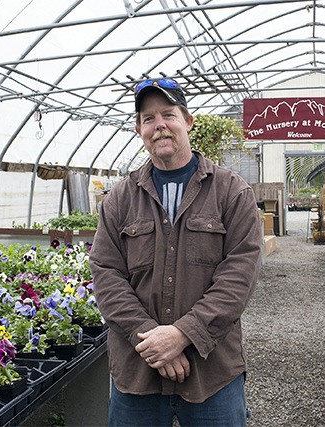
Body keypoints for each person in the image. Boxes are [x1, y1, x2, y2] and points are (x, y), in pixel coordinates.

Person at [88, 77, 263, 426]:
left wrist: (182, 334)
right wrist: (152, 341)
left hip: (211, 373)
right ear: (139, 130)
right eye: (149, 119)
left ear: (188, 121)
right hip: (138, 373)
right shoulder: (120, 199)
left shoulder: (231, 192)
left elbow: (239, 275)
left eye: (168, 114)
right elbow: (106, 274)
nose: (160, 126)